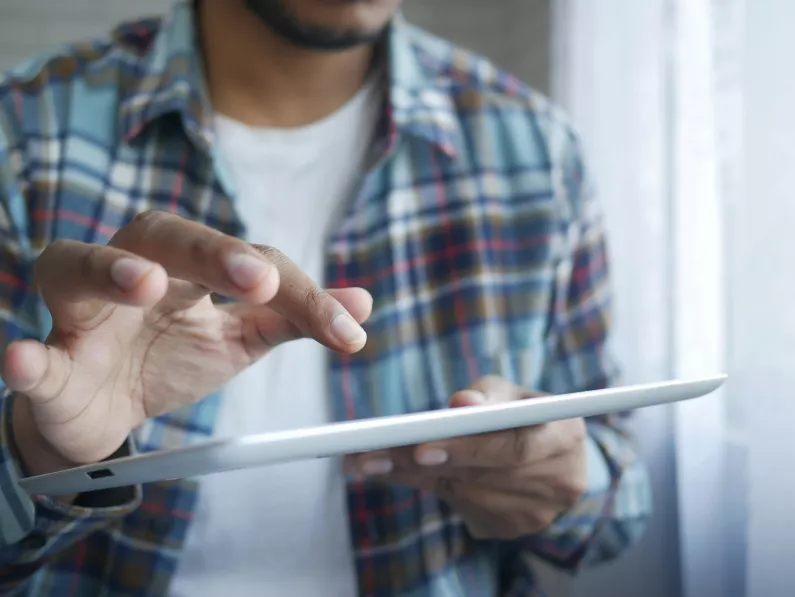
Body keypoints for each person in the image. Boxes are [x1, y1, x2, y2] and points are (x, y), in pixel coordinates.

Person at [0, 0, 651, 595]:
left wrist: (568, 479)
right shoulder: (24, 133)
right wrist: (43, 454)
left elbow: (620, 501)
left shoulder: (536, 151)